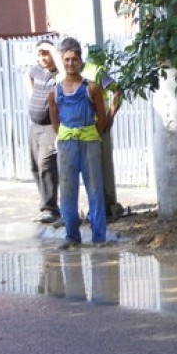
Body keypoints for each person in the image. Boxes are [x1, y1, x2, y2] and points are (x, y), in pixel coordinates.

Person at [47, 37, 108, 248]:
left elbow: (102, 117)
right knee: (67, 191)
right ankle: (72, 236)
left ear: (81, 60)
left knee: (95, 190)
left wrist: (90, 133)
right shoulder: (55, 92)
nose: (71, 63)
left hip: (90, 143)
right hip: (66, 145)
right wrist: (66, 135)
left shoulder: (92, 88)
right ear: (62, 61)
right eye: (67, 59)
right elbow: (55, 121)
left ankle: (99, 237)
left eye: (74, 59)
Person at [81, 49, 125, 221]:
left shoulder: (96, 72)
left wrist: (110, 116)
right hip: (77, 130)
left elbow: (118, 90)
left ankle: (101, 210)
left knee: (98, 170)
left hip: (98, 128)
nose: (70, 63)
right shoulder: (64, 75)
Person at [25, 39, 62, 224]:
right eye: (39, 54)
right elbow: (27, 75)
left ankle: (49, 209)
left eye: (45, 54)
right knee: (35, 167)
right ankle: (47, 204)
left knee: (46, 165)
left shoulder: (60, 74)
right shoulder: (36, 71)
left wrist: (52, 50)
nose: (42, 58)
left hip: (50, 127)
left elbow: (63, 71)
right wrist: (31, 95)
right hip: (35, 126)